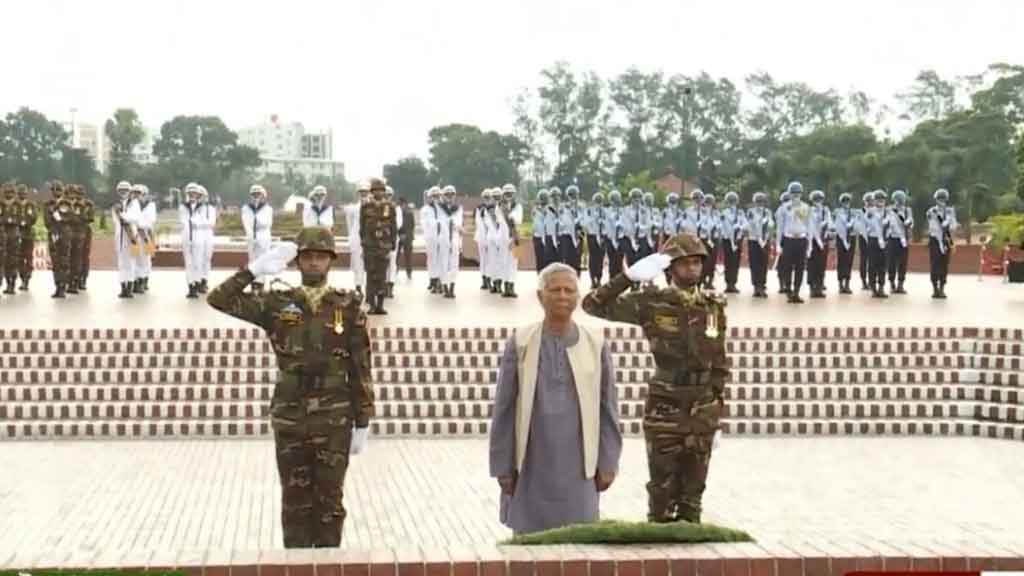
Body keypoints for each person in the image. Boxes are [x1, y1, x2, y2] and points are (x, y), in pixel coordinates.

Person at [207, 227, 373, 548]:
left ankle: (326, 568)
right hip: (291, 414)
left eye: (320, 257)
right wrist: (254, 268)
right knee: (294, 502)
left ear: (330, 263)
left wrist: (363, 419)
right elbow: (218, 299)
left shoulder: (348, 306)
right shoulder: (277, 303)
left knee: (330, 502)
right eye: (307, 257)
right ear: (297, 263)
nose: (313, 263)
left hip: (334, 415)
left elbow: (361, 365)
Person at [582, 233, 729, 524]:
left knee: (694, 493)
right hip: (667, 404)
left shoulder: (713, 304)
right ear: (670, 268)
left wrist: (717, 410)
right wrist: (628, 277)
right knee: (662, 491)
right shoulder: (651, 302)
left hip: (702, 406)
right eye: (684, 263)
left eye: (697, 262)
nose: (692, 269)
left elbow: (719, 360)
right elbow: (592, 304)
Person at [489, 262, 622, 535]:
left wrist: (608, 462)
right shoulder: (521, 342)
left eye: (569, 290)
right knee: (529, 546)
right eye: (555, 290)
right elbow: (504, 408)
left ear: (577, 297)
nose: (562, 296)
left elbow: (608, 408)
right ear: (541, 297)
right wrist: (502, 466)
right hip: (531, 463)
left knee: (578, 543)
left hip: (579, 466)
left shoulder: (595, 344)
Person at [360, 178, 398, 314]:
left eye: (381, 190)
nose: (378, 193)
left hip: (384, 246)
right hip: (370, 246)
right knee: (371, 275)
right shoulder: (366, 206)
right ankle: (371, 304)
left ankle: (380, 305)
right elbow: (362, 226)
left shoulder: (390, 206)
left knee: (382, 276)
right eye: (376, 190)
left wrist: (393, 242)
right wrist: (363, 242)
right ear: (372, 191)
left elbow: (393, 225)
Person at [776, 182, 811, 303]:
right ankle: (788, 290)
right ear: (789, 194)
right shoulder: (783, 208)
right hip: (788, 240)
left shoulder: (805, 207)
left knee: (800, 267)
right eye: (793, 193)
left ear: (801, 194)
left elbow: (808, 227)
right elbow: (780, 228)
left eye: (798, 193)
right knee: (787, 267)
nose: (796, 195)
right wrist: (778, 244)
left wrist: (809, 245)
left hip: (801, 239)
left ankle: (796, 292)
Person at [926, 188, 958, 299]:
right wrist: (940, 241)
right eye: (939, 198)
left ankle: (942, 288)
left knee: (945, 264)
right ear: (936, 199)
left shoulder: (950, 211)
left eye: (943, 198)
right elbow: (933, 227)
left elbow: (954, 225)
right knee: (935, 264)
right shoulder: (931, 211)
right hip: (935, 240)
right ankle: (935, 288)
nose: (941, 201)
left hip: (946, 240)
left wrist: (949, 223)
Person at [112, 181, 141, 299]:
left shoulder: (134, 203)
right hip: (120, 236)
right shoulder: (116, 205)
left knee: (131, 262)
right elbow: (115, 220)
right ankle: (123, 287)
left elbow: (135, 218)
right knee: (121, 263)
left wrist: (123, 216)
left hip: (132, 236)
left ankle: (129, 287)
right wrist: (122, 217)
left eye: (125, 190)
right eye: (121, 190)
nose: (123, 192)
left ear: (129, 192)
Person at [243, 184, 274, 292]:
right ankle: (253, 281)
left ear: (263, 195)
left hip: (263, 235)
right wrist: (250, 234)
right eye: (254, 194)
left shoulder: (268, 209)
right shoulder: (246, 208)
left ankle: (260, 282)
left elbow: (267, 223)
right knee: (252, 260)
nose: (256, 196)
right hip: (251, 235)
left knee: (263, 259)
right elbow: (246, 223)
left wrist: (257, 221)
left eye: (258, 194)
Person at [43, 181, 72, 298]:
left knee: (64, 260)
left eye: (58, 189)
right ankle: (57, 285)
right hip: (53, 234)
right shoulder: (47, 204)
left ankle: (63, 287)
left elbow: (70, 218)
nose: (56, 192)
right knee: (55, 262)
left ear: (62, 190)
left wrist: (58, 217)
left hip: (64, 234)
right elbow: (47, 221)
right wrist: (57, 219)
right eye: (54, 190)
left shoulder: (67, 203)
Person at [179, 183, 205, 299]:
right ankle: (191, 287)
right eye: (190, 193)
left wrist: (195, 221)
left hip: (198, 238)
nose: (192, 195)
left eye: (194, 193)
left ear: (198, 195)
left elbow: (203, 222)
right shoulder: (182, 206)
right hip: (186, 237)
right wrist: (194, 221)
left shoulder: (202, 207)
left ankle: (197, 282)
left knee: (197, 263)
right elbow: (183, 221)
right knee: (188, 263)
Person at [745, 192, 774, 298]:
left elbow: (771, 224)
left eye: (762, 202)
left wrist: (768, 226)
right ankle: (756, 286)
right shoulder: (750, 212)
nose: (760, 204)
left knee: (764, 263)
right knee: (754, 264)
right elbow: (748, 225)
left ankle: (762, 285)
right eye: (758, 202)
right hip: (753, 240)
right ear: (754, 202)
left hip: (765, 241)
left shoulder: (767, 212)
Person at [885, 190, 913, 294]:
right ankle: (892, 283)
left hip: (903, 240)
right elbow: (888, 222)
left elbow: (910, 220)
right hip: (892, 238)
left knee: (903, 262)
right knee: (891, 262)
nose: (900, 202)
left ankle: (900, 284)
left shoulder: (907, 210)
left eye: (901, 200)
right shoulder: (889, 210)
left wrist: (909, 221)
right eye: (898, 200)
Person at [719, 191, 747, 294]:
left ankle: (734, 283)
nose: (732, 203)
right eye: (730, 201)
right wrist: (730, 234)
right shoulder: (724, 213)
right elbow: (722, 226)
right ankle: (728, 284)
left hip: (738, 240)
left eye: (734, 201)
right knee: (728, 262)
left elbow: (745, 224)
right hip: (727, 240)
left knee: (735, 262)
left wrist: (740, 227)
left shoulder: (740, 212)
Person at [345, 182, 370, 295]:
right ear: (358, 194)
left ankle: (370, 288)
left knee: (370, 264)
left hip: (370, 238)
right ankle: (358, 286)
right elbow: (350, 224)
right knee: (357, 263)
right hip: (356, 238)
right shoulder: (353, 208)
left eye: (365, 192)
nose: (363, 194)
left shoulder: (373, 207)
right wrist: (351, 238)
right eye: (361, 192)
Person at [807, 189, 832, 298]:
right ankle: (812, 287)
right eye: (816, 199)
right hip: (813, 241)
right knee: (812, 264)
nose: (818, 201)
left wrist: (830, 230)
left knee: (821, 264)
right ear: (812, 201)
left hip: (824, 240)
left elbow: (830, 223)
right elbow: (810, 225)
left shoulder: (826, 211)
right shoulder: (809, 210)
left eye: (820, 199)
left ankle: (819, 286)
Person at [866, 190, 889, 298]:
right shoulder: (870, 212)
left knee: (883, 265)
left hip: (885, 241)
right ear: (874, 201)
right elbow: (871, 225)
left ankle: (881, 287)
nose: (880, 202)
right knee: (873, 264)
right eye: (878, 199)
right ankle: (873, 287)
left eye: (882, 199)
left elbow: (892, 225)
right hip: (874, 240)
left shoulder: (888, 212)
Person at [134, 184, 158, 294]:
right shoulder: (131, 205)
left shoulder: (151, 205)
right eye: (134, 193)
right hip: (134, 235)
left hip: (147, 235)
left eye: (138, 193)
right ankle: (136, 281)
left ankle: (143, 280)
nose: (136, 195)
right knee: (135, 257)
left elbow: (150, 220)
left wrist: (139, 224)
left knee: (146, 258)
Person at [832, 193, 856, 294]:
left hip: (851, 238)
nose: (846, 204)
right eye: (844, 202)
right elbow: (834, 226)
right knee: (841, 261)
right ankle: (841, 284)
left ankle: (847, 283)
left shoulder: (854, 213)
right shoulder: (837, 212)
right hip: (841, 238)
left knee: (849, 261)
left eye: (848, 201)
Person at [16, 185, 39, 291]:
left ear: (26, 194)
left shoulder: (31, 205)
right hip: (17, 233)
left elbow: (34, 218)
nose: (22, 194)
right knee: (19, 258)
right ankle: (22, 278)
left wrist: (26, 222)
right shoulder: (15, 204)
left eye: (24, 193)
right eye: (20, 193)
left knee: (28, 257)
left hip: (28, 234)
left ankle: (27, 279)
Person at [583, 192, 606, 288]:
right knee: (593, 259)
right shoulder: (589, 210)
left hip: (602, 236)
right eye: (597, 201)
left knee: (600, 259)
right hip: (592, 235)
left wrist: (603, 222)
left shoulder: (605, 211)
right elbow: (585, 223)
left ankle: (599, 279)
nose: (599, 203)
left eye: (600, 201)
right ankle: (593, 280)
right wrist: (594, 219)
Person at [0, 184, 20, 294]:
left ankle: (11, 283)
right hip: (2, 234)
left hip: (13, 234)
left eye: (10, 192)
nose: (8, 194)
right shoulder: (1, 204)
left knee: (12, 259)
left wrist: (10, 220)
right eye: (6, 192)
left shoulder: (17, 205)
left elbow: (22, 218)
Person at [384, 185, 402, 298]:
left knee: (392, 263)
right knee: (382, 264)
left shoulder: (396, 208)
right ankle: (383, 286)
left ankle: (390, 287)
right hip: (381, 238)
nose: (387, 197)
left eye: (389, 195)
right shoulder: (379, 207)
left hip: (392, 237)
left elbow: (398, 223)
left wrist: (387, 227)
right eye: (385, 194)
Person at [398, 198, 415, 281]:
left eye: (403, 204)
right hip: (398, 237)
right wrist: (400, 234)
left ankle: (409, 273)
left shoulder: (409, 213)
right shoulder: (397, 213)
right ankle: (395, 271)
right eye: (401, 204)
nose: (402, 206)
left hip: (408, 238)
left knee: (408, 256)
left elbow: (412, 225)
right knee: (396, 256)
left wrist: (408, 235)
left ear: (406, 204)